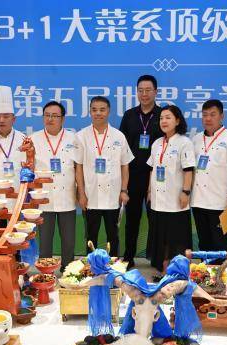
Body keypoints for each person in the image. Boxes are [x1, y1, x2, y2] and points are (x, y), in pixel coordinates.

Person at [75, 96, 133, 256]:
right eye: (94, 110)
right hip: (90, 196)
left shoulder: (119, 136)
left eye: (102, 109)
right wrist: (81, 194)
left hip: (113, 196)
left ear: (108, 111)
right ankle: (92, 266)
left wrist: (124, 190)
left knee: (113, 236)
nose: (98, 113)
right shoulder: (81, 136)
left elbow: (125, 165)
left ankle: (112, 267)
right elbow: (78, 167)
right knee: (90, 236)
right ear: (90, 112)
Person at [190, 99, 227, 257]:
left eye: (212, 114)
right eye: (205, 115)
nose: (208, 118)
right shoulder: (196, 139)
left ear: (222, 116)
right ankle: (205, 271)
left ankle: (219, 271)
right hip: (198, 200)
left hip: (220, 202)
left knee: (219, 243)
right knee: (203, 241)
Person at [118, 75, 163, 268]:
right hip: (133, 175)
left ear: (155, 92)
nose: (144, 94)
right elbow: (121, 147)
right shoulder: (129, 115)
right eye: (141, 90)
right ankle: (129, 256)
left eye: (148, 90)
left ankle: (157, 258)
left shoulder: (163, 115)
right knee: (132, 219)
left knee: (156, 219)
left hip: (157, 177)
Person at [147, 105, 195, 274]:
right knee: (160, 236)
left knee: (175, 237)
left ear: (177, 121)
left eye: (168, 117)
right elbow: (152, 169)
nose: (164, 121)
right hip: (158, 200)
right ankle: (162, 266)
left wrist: (186, 192)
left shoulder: (184, 142)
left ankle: (176, 269)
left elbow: (188, 170)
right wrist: (149, 191)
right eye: (161, 118)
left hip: (175, 200)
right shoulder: (157, 143)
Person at [30, 101, 78, 269]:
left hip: (67, 197)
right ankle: (46, 273)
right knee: (44, 241)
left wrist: (80, 192)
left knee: (69, 240)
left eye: (55, 116)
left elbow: (78, 167)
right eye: (47, 115)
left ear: (62, 119)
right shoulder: (33, 139)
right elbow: (28, 169)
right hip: (44, 198)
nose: (50, 119)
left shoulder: (73, 138)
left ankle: (68, 271)